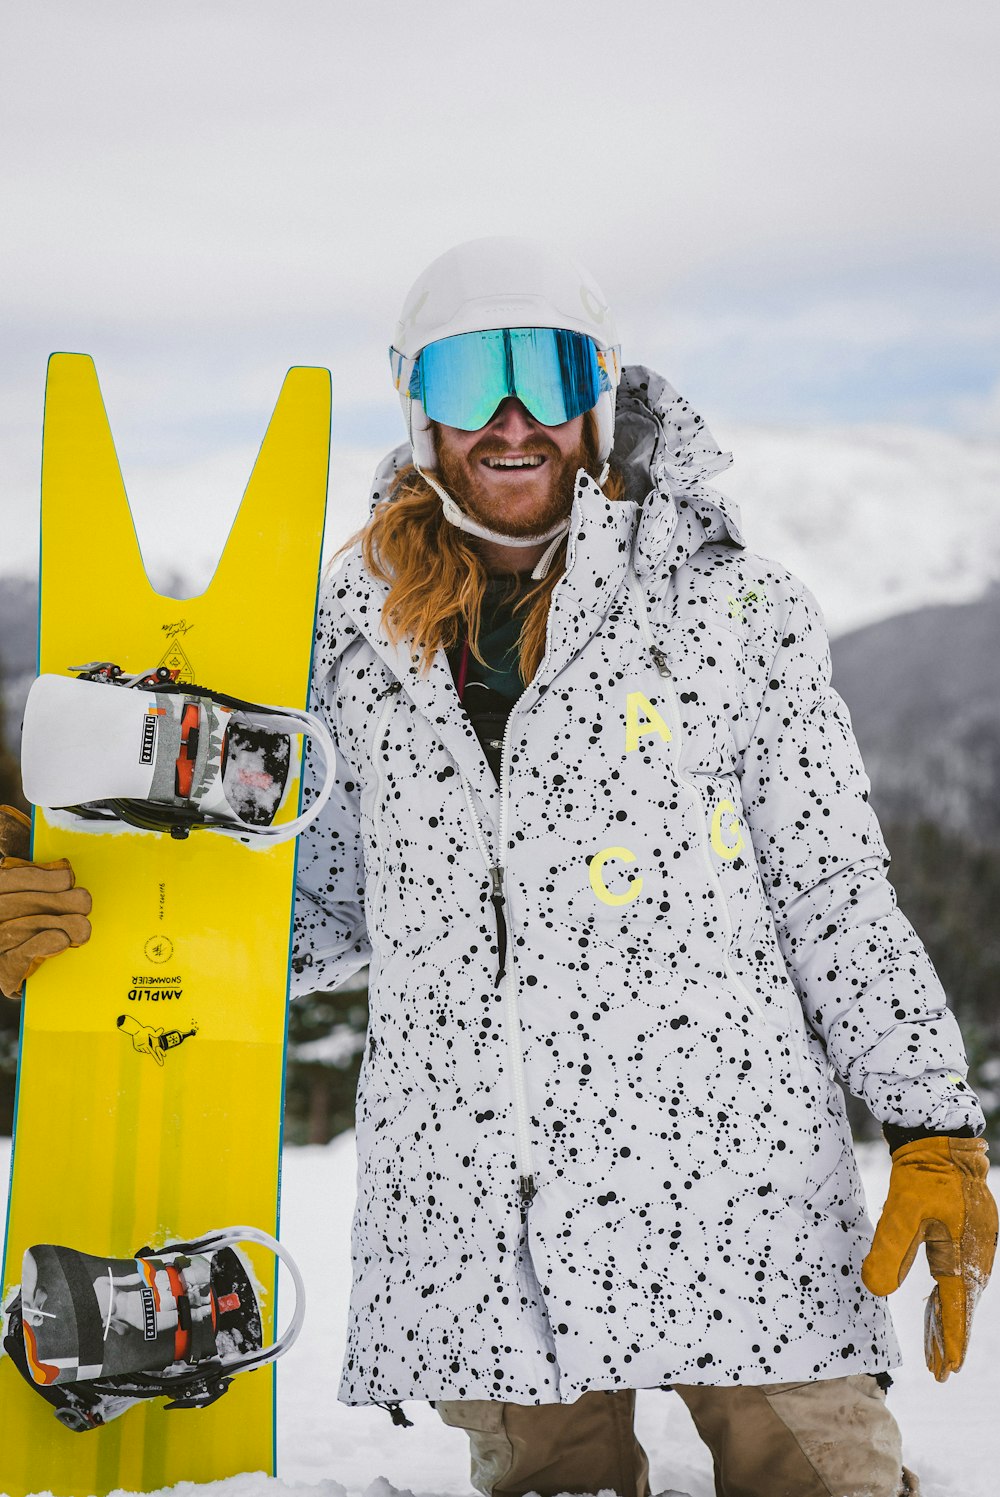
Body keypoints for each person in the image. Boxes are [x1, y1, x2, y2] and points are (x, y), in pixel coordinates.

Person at [3, 236, 996, 1497]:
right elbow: (324, 909)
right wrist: (84, 918)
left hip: (737, 1201)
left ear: (602, 391)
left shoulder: (731, 610)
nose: (511, 418)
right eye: (473, 381)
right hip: (480, 1222)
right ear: (419, 410)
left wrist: (932, 1125)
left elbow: (834, 894)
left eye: (548, 371)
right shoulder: (353, 642)